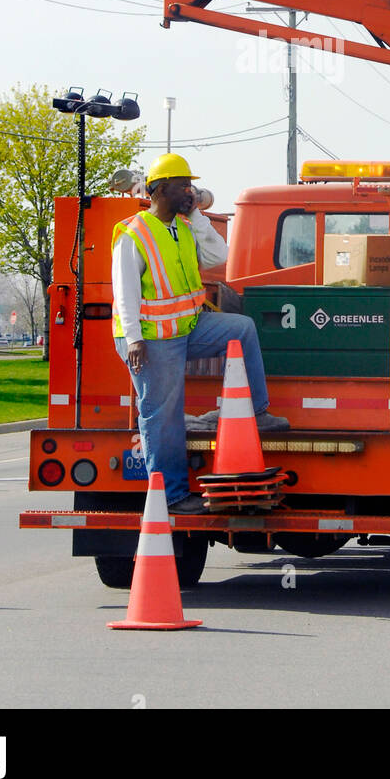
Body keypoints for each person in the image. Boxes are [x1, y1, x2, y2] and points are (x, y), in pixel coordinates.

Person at [111, 152, 288, 514]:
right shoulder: (134, 234)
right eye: (182, 186)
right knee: (163, 417)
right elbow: (124, 294)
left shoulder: (184, 227)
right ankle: (172, 497)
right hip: (150, 340)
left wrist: (195, 213)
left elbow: (220, 255)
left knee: (241, 328)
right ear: (159, 190)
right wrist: (133, 339)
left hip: (186, 329)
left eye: (190, 186)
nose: (189, 192)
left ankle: (256, 410)